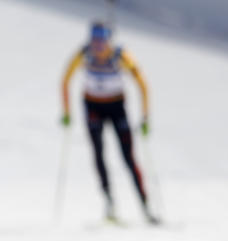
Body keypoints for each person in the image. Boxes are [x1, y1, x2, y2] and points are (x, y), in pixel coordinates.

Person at [61, 21, 159, 225]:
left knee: (128, 158)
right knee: (98, 154)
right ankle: (109, 203)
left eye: (102, 40)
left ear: (109, 40)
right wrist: (67, 111)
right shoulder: (84, 54)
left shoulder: (120, 56)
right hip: (93, 107)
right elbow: (65, 79)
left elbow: (142, 83)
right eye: (94, 39)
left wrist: (145, 116)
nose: (98, 45)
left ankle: (145, 206)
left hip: (116, 107)